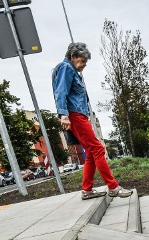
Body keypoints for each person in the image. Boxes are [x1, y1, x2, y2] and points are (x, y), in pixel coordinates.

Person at [52, 42, 132, 199]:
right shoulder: (66, 68)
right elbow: (60, 92)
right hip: (73, 115)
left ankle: (87, 189)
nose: (83, 65)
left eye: (85, 63)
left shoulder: (73, 71)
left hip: (78, 115)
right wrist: (64, 114)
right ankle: (113, 187)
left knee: (90, 152)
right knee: (97, 149)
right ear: (73, 57)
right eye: (81, 61)